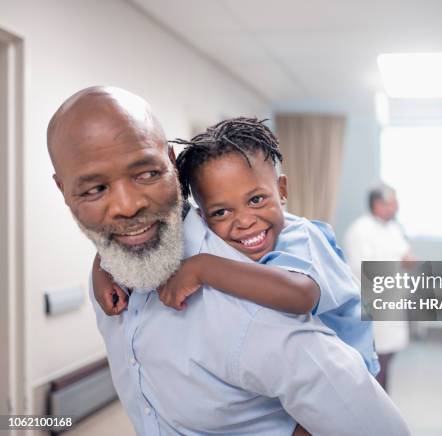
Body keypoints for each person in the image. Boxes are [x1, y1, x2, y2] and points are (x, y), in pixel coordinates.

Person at [47, 86, 410, 436]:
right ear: (64, 191)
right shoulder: (119, 267)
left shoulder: (259, 289)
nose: (127, 206)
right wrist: (101, 264)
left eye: (146, 173)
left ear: (170, 166)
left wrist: (204, 268)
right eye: (95, 189)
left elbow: (373, 422)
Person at [93, 117, 379, 376]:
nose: (243, 221)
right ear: (203, 216)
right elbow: (149, 230)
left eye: (256, 200)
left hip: (347, 373)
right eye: (221, 212)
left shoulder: (301, 237)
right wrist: (103, 268)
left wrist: (202, 269)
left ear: (282, 190)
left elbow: (300, 294)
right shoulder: (217, 233)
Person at [344, 184, 412, 391]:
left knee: (387, 359)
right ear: (377, 204)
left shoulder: (394, 228)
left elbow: (404, 255)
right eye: (391, 203)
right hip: (372, 306)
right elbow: (362, 268)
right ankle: (375, 412)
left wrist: (407, 260)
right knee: (374, 363)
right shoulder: (360, 230)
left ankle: (383, 407)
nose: (396, 207)